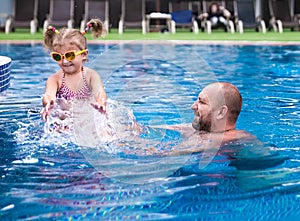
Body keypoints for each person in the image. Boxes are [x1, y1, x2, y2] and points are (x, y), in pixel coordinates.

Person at [40, 19, 107, 122]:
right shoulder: (55, 79)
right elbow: (49, 94)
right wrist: (48, 103)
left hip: (87, 122)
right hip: (65, 124)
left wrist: (101, 104)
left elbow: (100, 93)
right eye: (58, 57)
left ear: (84, 54)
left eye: (70, 55)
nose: (65, 61)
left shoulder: (91, 76)